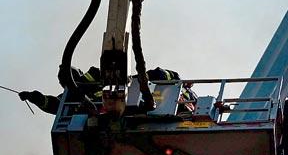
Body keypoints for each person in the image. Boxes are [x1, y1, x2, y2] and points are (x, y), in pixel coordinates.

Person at [18, 66, 180, 115]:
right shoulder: (70, 98)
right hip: (103, 122)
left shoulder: (101, 78)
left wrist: (155, 75)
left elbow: (133, 81)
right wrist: (35, 97)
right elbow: (53, 104)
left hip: (128, 112)